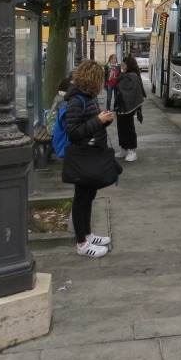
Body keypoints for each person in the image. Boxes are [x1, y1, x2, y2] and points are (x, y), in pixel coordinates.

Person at [63, 60, 116, 258]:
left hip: (91, 153)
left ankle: (87, 233)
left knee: (88, 197)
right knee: (81, 199)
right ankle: (82, 243)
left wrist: (104, 121)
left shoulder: (87, 98)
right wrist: (98, 120)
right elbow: (74, 131)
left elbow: (89, 125)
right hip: (83, 155)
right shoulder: (77, 100)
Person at [113, 55, 146, 162]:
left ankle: (132, 151)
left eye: (124, 64)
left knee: (128, 128)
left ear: (128, 65)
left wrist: (118, 82)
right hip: (121, 106)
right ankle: (124, 148)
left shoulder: (132, 76)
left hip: (128, 106)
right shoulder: (125, 75)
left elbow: (127, 89)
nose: (122, 66)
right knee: (121, 127)